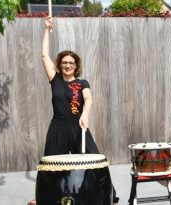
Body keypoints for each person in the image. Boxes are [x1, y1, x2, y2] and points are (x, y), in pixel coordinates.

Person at [41, 17, 119, 204]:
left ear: (76, 66)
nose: (68, 65)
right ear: (59, 64)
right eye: (65, 62)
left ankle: (108, 194)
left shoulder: (81, 83)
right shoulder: (55, 80)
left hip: (79, 127)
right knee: (51, 165)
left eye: (72, 63)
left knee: (95, 161)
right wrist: (46, 30)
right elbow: (44, 55)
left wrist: (84, 114)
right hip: (58, 127)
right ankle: (48, 196)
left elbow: (88, 98)